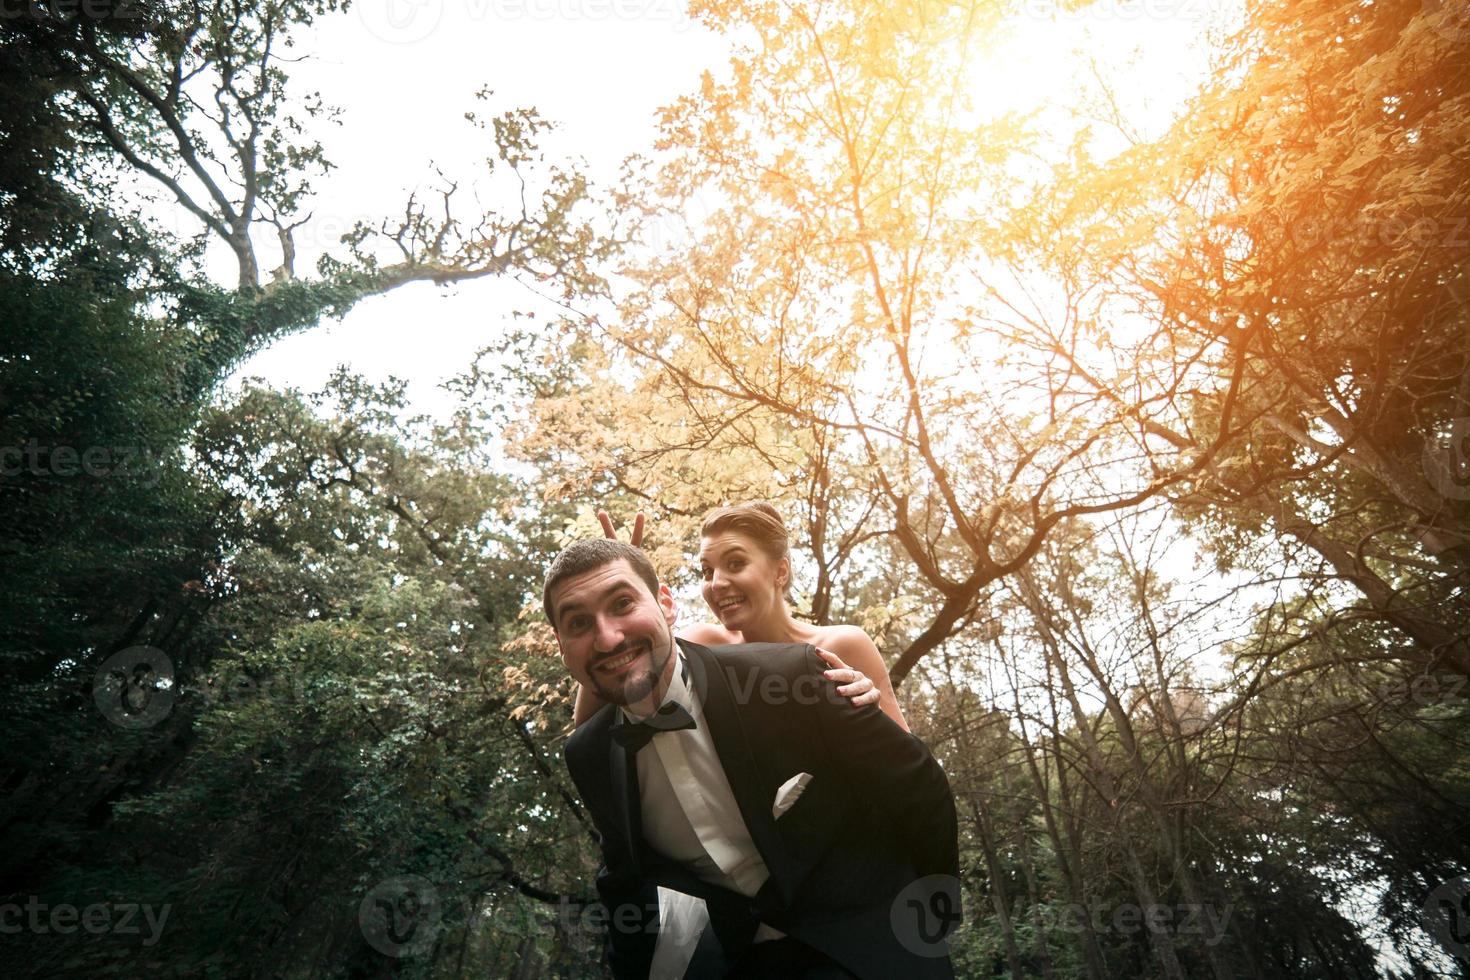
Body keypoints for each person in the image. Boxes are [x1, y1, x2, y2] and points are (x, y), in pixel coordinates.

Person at [548, 536, 961, 978]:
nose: (608, 637)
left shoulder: (796, 677)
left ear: (666, 605)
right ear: (561, 645)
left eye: (623, 603)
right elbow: (628, 882)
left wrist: (929, 918)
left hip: (869, 956)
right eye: (578, 623)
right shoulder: (589, 755)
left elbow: (920, 789)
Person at [574, 503, 908, 734]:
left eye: (735, 564)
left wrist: (871, 711)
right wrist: (621, 591)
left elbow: (909, 760)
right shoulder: (700, 645)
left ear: (780, 571)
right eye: (707, 570)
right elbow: (592, 722)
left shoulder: (843, 646)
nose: (716, 583)